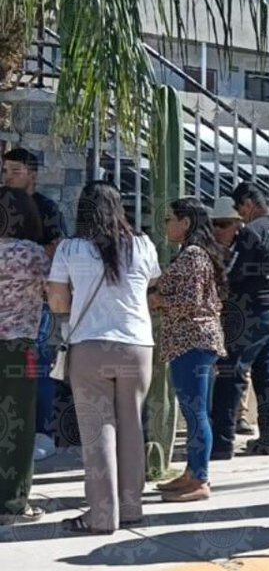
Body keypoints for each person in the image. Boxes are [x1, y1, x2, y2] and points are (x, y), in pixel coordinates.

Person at [47, 181, 160, 534]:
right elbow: (151, 286)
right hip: (138, 347)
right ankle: (131, 510)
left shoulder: (71, 248)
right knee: (131, 427)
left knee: (98, 434)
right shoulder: (143, 245)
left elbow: (59, 304)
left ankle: (100, 515)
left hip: (91, 347)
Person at [152, 198, 228, 503]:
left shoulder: (194, 256)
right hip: (189, 342)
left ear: (186, 222)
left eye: (170, 218)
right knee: (193, 411)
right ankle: (192, 471)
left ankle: (200, 478)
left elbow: (190, 302)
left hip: (193, 342)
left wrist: (157, 301)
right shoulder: (190, 253)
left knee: (196, 412)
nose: (166, 224)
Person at [210, 184, 269, 458]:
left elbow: (234, 273)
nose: (239, 216)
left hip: (249, 311)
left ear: (247, 203)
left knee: (230, 373)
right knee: (267, 375)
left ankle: (222, 443)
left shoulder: (252, 232)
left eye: (239, 209)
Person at [3, 148, 69, 457]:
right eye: (5, 171)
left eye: (15, 170)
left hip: (37, 303)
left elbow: (56, 249)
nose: (8, 176)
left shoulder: (46, 208)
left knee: (40, 368)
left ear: (33, 174)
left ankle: (41, 432)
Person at [0, 187, 48, 524]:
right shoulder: (33, 255)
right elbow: (58, 293)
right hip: (19, 348)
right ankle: (13, 503)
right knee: (17, 425)